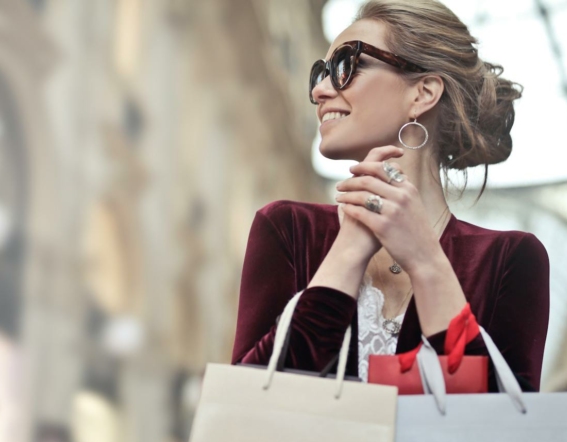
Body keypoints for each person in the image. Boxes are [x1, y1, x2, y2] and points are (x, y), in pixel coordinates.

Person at [232, 0, 549, 391]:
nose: (319, 89)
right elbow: (250, 400)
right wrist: (348, 249)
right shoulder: (288, 229)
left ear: (423, 93)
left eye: (346, 64)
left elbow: (499, 428)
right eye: (319, 72)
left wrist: (427, 263)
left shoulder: (510, 259)